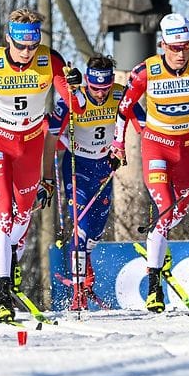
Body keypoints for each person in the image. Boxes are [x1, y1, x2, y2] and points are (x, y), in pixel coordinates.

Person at [0, 8, 85, 322]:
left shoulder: (50, 60)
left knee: (23, 212)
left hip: (30, 144)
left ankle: (9, 260)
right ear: (9, 39)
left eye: (33, 45)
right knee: (4, 215)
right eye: (21, 46)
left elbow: (76, 106)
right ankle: (2, 291)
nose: (27, 53)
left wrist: (76, 86)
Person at [113, 13, 189, 315]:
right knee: (164, 209)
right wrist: (118, 145)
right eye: (175, 48)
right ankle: (154, 285)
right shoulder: (146, 71)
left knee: (179, 210)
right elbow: (123, 109)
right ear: (162, 44)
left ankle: (158, 241)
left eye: (186, 47)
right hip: (158, 147)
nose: (181, 54)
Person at [43, 54, 138, 310]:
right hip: (78, 167)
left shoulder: (120, 94)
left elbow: (142, 122)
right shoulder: (75, 98)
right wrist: (47, 179)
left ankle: (85, 270)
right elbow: (50, 134)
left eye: (104, 89)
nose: (99, 94)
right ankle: (78, 291)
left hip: (105, 168)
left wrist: (125, 150)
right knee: (81, 228)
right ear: (87, 82)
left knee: (95, 231)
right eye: (95, 88)